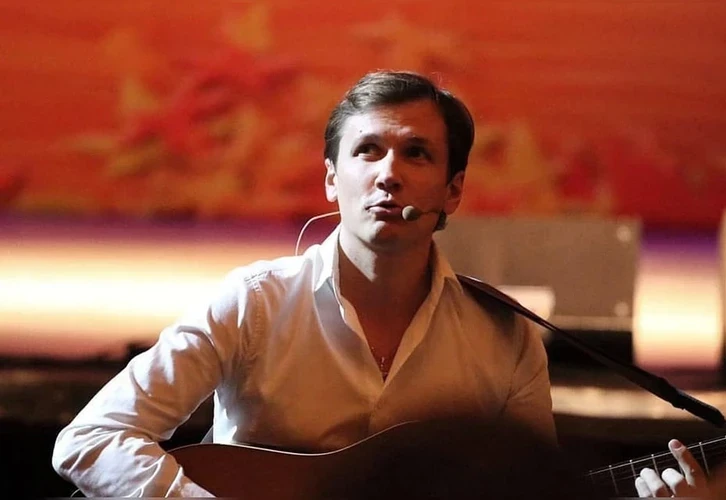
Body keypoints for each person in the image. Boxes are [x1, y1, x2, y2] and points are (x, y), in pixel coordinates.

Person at [51, 70, 557, 497]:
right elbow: (92, 437)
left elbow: (537, 488)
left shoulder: (506, 336)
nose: (388, 175)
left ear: (453, 190)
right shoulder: (254, 302)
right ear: (332, 179)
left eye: (416, 153)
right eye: (368, 150)